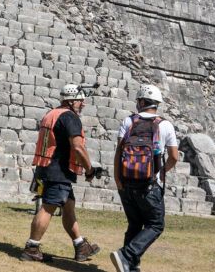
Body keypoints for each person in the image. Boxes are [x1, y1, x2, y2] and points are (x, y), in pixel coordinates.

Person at [20, 84, 102, 263]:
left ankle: (80, 246)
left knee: (68, 205)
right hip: (58, 170)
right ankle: (31, 248)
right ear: (72, 101)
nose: (83, 104)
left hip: (46, 166)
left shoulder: (52, 113)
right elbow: (78, 147)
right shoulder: (70, 117)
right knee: (48, 207)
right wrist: (89, 169)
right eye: (80, 101)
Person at [110, 84, 180, 272]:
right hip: (150, 185)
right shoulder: (165, 125)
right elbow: (174, 156)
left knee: (134, 223)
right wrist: (161, 171)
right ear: (156, 104)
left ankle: (130, 267)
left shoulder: (129, 121)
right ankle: (126, 255)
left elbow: (119, 151)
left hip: (126, 183)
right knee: (155, 224)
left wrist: (118, 178)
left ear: (141, 102)